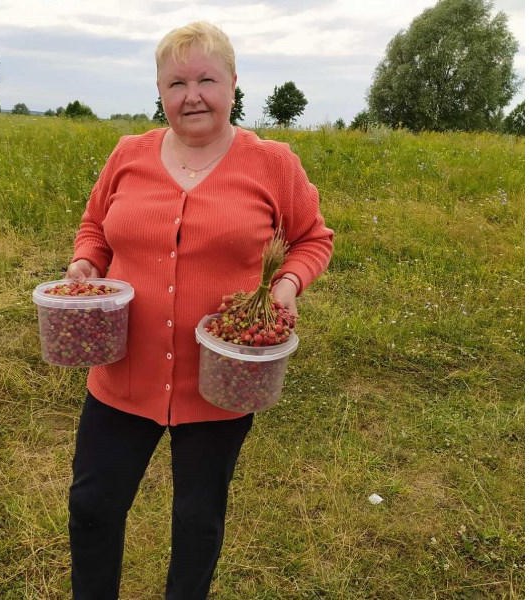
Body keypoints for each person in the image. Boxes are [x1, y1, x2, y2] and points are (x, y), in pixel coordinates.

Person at [64, 21, 334, 599]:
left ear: (233, 84)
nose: (192, 95)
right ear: (159, 91)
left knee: (197, 519)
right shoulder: (128, 155)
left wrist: (284, 287)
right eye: (176, 82)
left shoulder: (272, 163)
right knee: (92, 506)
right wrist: (87, 262)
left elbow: (313, 238)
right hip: (122, 368)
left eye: (207, 79)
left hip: (223, 377)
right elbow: (95, 228)